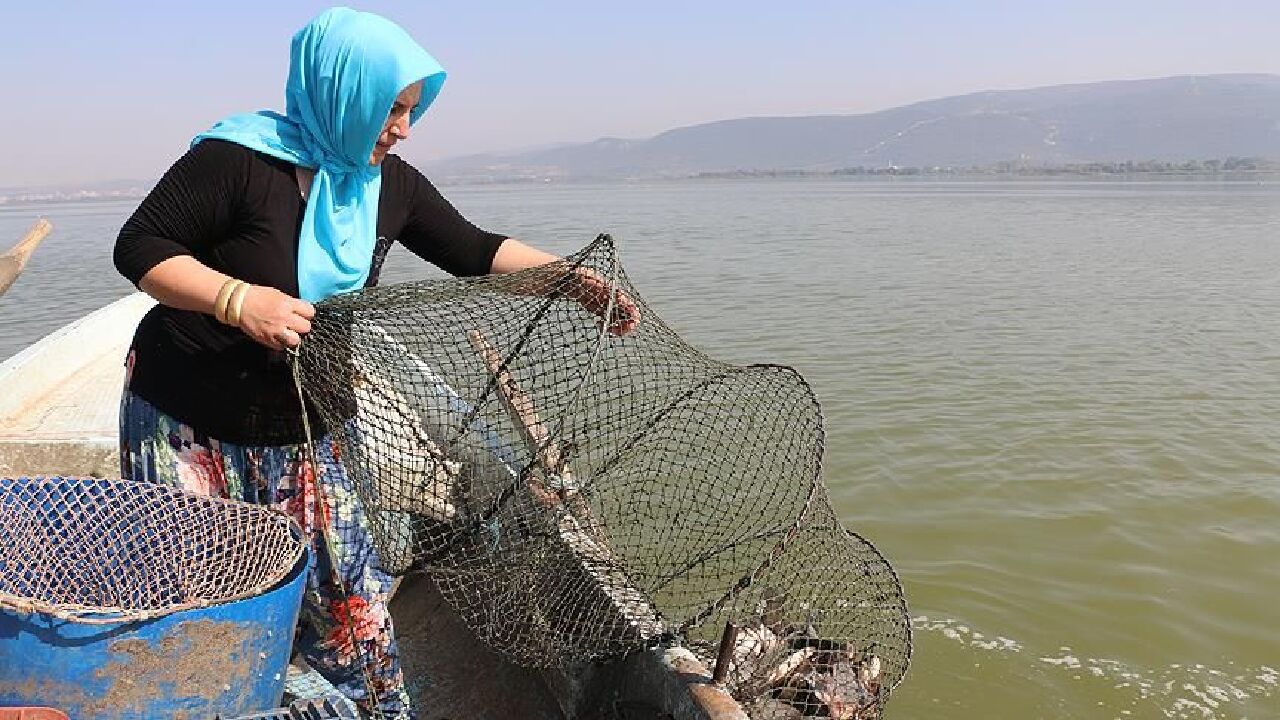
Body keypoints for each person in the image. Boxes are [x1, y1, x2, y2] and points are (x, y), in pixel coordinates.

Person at [112, 7, 636, 718]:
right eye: (391, 108)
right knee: (207, 605)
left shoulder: (387, 183)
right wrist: (238, 300)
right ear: (343, 93)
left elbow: (474, 251)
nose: (403, 128)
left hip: (312, 424)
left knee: (352, 611)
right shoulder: (235, 160)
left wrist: (573, 282)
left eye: (411, 111)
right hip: (190, 423)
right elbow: (141, 247)